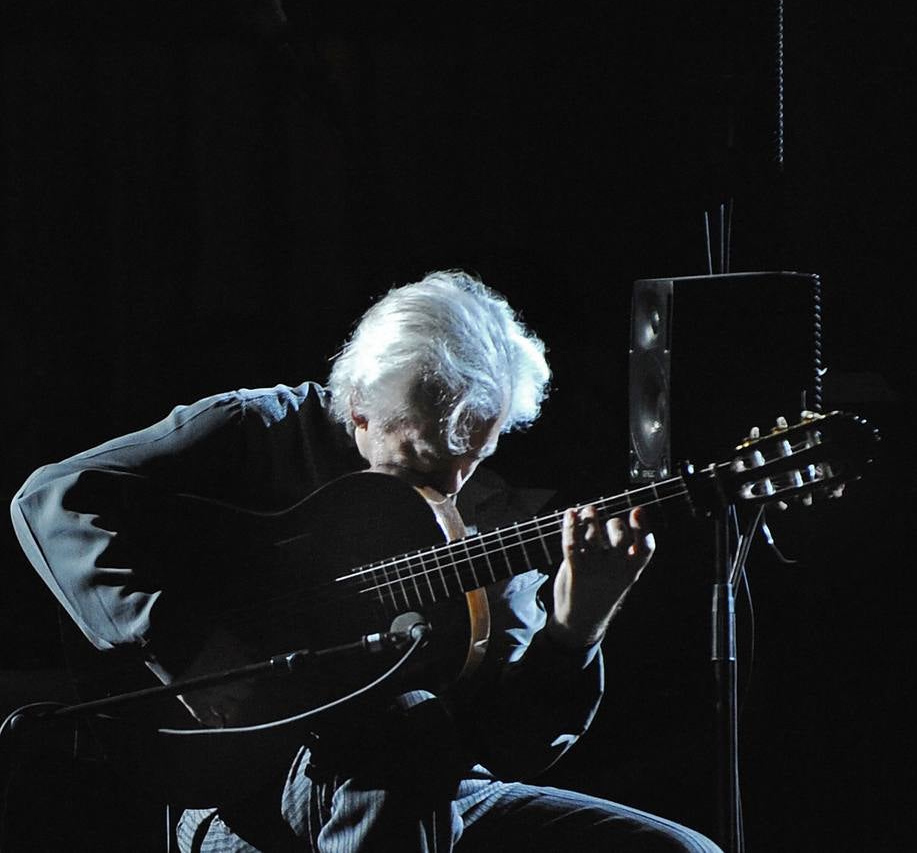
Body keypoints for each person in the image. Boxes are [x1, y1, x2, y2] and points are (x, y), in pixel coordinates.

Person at [10, 270, 721, 852]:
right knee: (408, 726)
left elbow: (506, 747)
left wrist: (575, 630)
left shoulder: (489, 519)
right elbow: (53, 499)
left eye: (474, 458)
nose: (452, 486)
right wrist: (185, 644)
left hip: (436, 787)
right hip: (249, 787)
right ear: (357, 410)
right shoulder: (261, 432)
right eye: (426, 458)